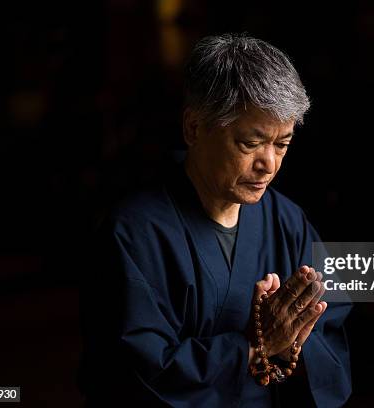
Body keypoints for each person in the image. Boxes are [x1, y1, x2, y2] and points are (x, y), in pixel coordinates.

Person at [78, 33, 352, 407]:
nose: (268, 163)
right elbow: (132, 371)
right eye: (250, 143)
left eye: (282, 144)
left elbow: (329, 327)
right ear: (194, 128)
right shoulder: (134, 232)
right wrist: (255, 346)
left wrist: (292, 337)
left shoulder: (288, 221)